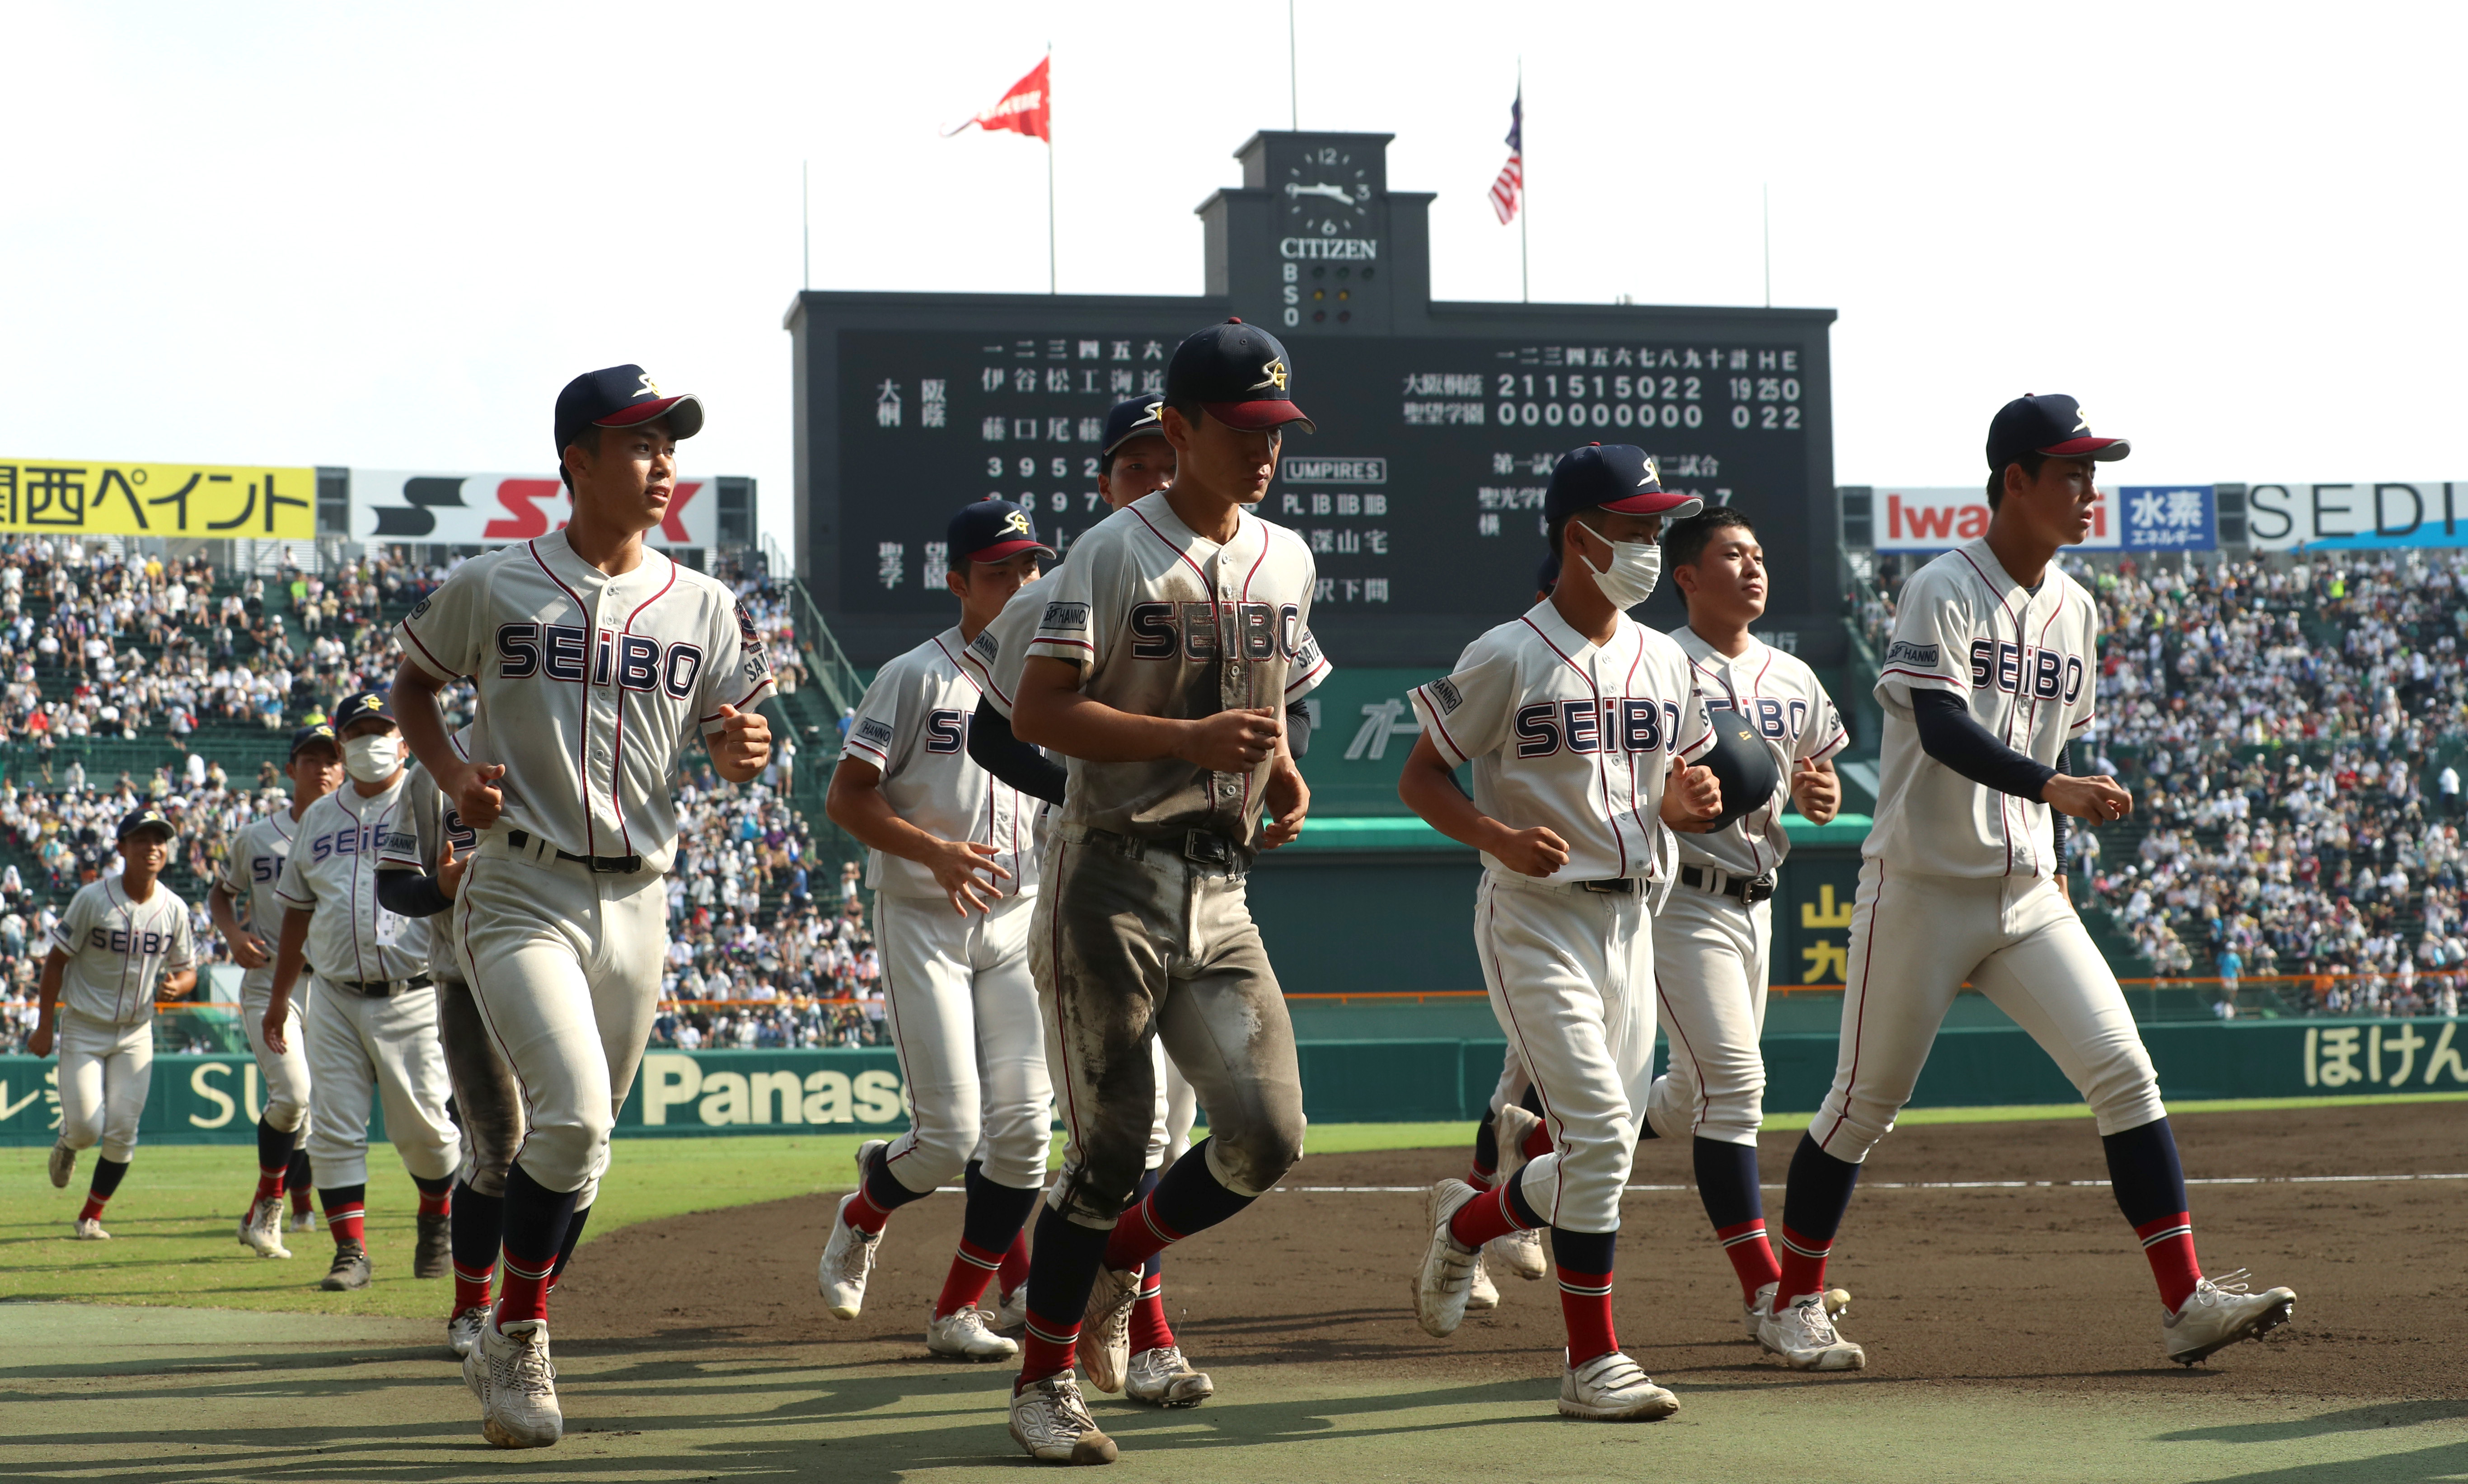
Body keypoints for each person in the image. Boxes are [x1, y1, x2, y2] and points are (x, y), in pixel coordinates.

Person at [1756, 394, 2295, 1372]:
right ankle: (1793, 1302)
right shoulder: (1941, 587)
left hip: (2026, 890)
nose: (2090, 491)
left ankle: (2185, 1300)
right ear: (2015, 480)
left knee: (2124, 1072)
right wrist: (2050, 782)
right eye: (2071, 472)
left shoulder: (2075, 605)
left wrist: (2055, 791)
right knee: (1860, 1103)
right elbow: (1946, 726)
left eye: (2093, 472)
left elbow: (2044, 732)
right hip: (1920, 887)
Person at [392, 364, 772, 1449]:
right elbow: (412, 685)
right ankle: (517, 1330)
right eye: (642, 443)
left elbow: (733, 739)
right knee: (571, 1119)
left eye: (670, 446)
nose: (663, 466)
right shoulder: (495, 582)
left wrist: (743, 749)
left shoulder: (704, 605)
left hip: (641, 900)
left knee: (590, 1148)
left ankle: (517, 1316)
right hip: (520, 885)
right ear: (578, 459)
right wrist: (455, 768)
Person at [974, 320, 1324, 1464]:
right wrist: (1189, 734)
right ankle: (1043, 1384)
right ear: (1179, 429)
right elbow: (1032, 715)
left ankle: (1121, 1259)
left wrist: (1281, 771)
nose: (1264, 449)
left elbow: (1268, 704)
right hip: (1110, 872)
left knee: (1266, 1136)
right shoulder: (1114, 550)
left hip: (1221, 884)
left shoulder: (1288, 557)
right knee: (1113, 1140)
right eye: (1241, 427)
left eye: (1276, 428)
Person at [1397, 443, 1721, 1422]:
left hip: (1635, 921)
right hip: (1533, 918)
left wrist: (1690, 799)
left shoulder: (1666, 657)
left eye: (1656, 527)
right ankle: (1592, 1362)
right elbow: (1420, 777)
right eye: (1631, 527)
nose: (1649, 544)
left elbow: (1682, 785)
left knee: (1598, 1147)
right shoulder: (1506, 652)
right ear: (1577, 538)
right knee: (1596, 1135)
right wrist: (1494, 831)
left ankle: (1468, 1224)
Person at [816, 497, 1054, 1364]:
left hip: (1020, 918)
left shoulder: (1057, 677)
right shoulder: (915, 674)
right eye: (999, 570)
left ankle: (957, 1312)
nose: (1022, 582)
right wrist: (934, 852)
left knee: (1025, 1132)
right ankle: (863, 1211)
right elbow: (846, 795)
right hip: (925, 915)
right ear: (957, 582)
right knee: (950, 1135)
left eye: (1032, 566)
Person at [1641, 506, 1856, 1338]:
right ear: (1687, 577)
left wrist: (1819, 792)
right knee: (1734, 1088)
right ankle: (1767, 1293)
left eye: (1759, 555)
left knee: (1695, 1089)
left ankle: (1560, 1141)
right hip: (1679, 898)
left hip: (1756, 902)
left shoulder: (1791, 676)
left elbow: (1818, 771)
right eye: (1732, 555)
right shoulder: (1657, 665)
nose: (1753, 568)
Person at [260, 690, 460, 1293]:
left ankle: (436, 1222)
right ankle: (351, 1252)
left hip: (415, 991)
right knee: (334, 1130)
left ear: (404, 740)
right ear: (342, 745)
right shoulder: (319, 817)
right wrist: (279, 998)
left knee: (426, 1132)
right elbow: (295, 912)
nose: (371, 740)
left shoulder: (431, 799)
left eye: (382, 729)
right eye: (359, 731)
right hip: (334, 994)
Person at [378, 726, 529, 1361]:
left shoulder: (574, 734)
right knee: (497, 1150)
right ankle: (472, 1307)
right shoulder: (433, 768)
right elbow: (393, 885)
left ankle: (525, 1307)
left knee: (576, 1149)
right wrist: (438, 890)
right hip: (466, 973)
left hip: (571, 970)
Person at [32, 805, 197, 1239]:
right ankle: (68, 1144)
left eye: (160, 839)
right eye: (142, 838)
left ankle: (90, 1217)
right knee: (88, 1129)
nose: (152, 847)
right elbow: (55, 963)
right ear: (122, 847)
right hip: (85, 1026)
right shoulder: (92, 898)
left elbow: (188, 969)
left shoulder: (175, 907)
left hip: (136, 1031)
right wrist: (45, 1024)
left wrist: (178, 986)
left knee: (123, 1130)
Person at [214, 722, 342, 1260]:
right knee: (292, 1096)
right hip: (271, 981)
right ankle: (269, 1207)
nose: (323, 768)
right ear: (291, 770)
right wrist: (233, 933)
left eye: (332, 758)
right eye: (310, 759)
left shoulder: (361, 831)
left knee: (317, 1114)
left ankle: (282, 1207)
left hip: (336, 985)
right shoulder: (256, 836)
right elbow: (222, 895)